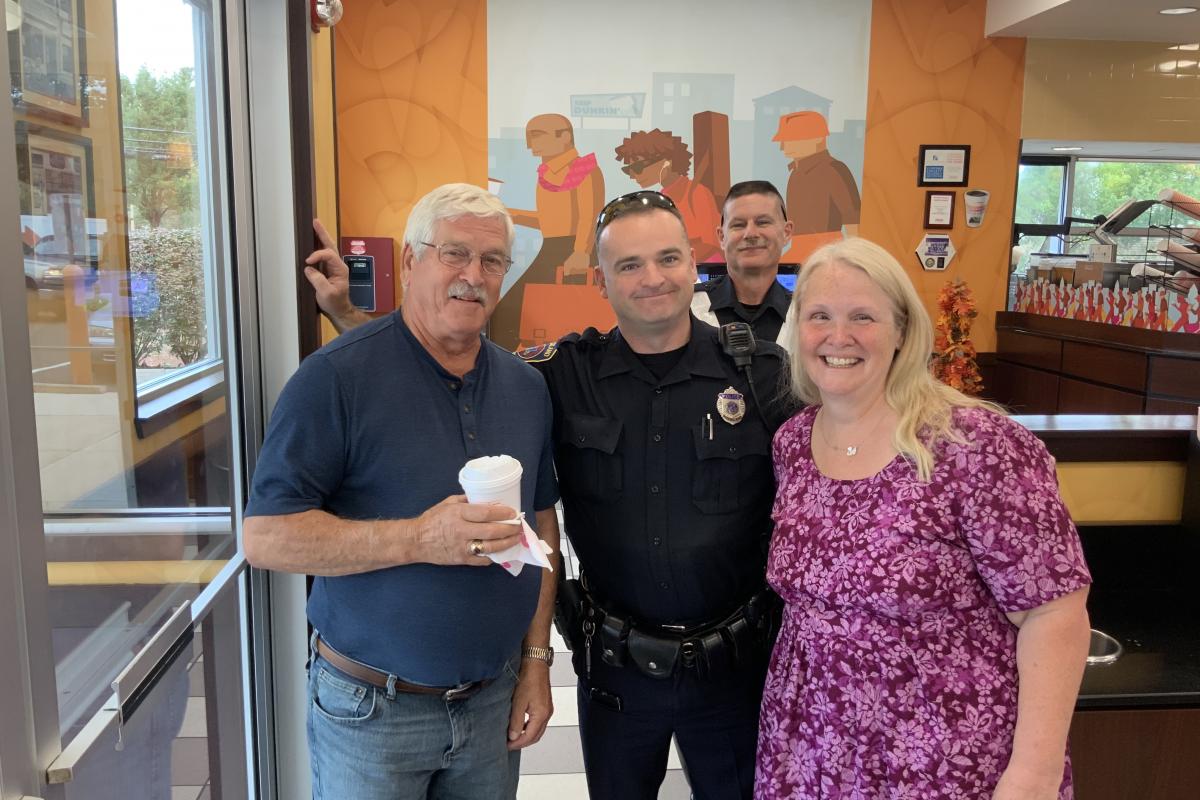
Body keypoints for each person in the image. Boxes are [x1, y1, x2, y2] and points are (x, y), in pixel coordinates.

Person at [245, 183, 561, 799]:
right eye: (454, 254)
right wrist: (419, 538)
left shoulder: (525, 387)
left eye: (492, 260)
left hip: (490, 704)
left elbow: (541, 523)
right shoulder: (334, 379)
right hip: (371, 713)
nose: (473, 275)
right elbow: (265, 538)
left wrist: (536, 663)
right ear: (412, 261)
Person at [756, 237, 1092, 799]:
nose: (838, 337)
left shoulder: (974, 444)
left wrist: (1034, 772)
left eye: (863, 316)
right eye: (819, 317)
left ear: (903, 332)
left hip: (944, 752)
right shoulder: (793, 442)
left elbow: (1055, 614)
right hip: (809, 744)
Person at [523, 191, 792, 800]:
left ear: (692, 264)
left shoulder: (763, 375)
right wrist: (355, 322)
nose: (652, 278)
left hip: (737, 670)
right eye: (629, 265)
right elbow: (462, 372)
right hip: (616, 672)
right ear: (601, 280)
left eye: (667, 258)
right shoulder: (563, 373)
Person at [491, 113, 605, 350]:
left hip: (574, 251)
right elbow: (552, 222)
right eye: (529, 136)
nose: (530, 143)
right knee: (508, 319)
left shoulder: (582, 168)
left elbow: (589, 216)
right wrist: (511, 213)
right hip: (552, 249)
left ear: (564, 137)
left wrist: (581, 252)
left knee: (562, 320)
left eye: (537, 135)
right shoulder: (546, 172)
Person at [691, 180, 795, 345]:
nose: (750, 233)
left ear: (786, 232)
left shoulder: (805, 313)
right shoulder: (687, 308)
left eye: (763, 222)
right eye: (738, 225)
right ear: (721, 237)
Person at [615, 129, 722, 262]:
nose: (633, 175)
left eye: (637, 167)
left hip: (705, 272)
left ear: (666, 162)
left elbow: (711, 245)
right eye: (628, 170)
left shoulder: (697, 193)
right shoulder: (662, 196)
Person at [773, 111, 861, 264]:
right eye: (784, 141)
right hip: (799, 253)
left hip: (828, 254)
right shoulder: (795, 174)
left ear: (818, 138)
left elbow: (853, 221)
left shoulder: (835, 170)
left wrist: (855, 260)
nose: (783, 147)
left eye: (792, 139)